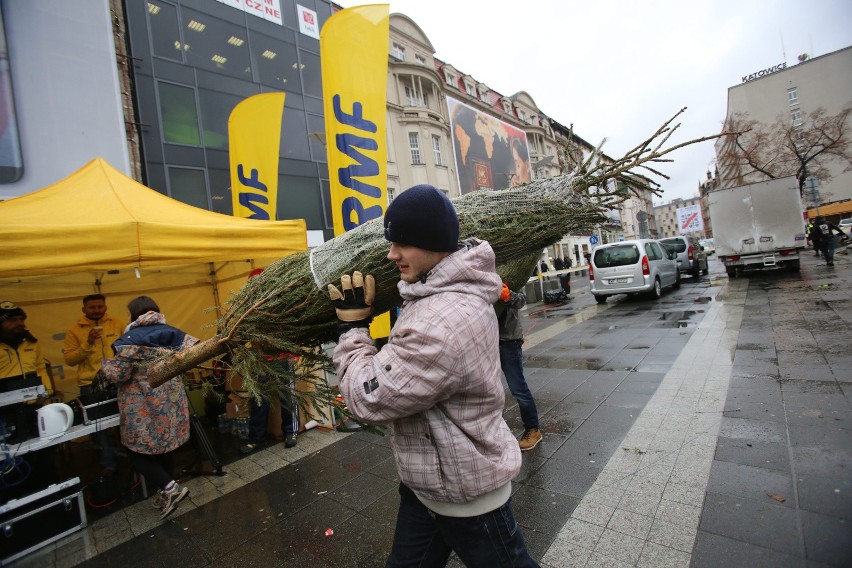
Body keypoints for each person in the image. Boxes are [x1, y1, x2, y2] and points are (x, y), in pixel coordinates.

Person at [328, 184, 538, 567]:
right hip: (431, 481)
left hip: (466, 496)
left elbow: (365, 395)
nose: (392, 254)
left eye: (402, 243)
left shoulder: (440, 324)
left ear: (433, 243)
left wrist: (351, 331)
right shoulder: (441, 293)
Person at [100, 296, 195, 520]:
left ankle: (172, 488)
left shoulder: (129, 340)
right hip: (171, 403)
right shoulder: (175, 333)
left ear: (133, 315)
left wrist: (105, 366)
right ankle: (168, 489)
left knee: (135, 453)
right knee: (165, 448)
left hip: (143, 406)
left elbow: (119, 374)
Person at [239, 269, 300, 455]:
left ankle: (291, 432)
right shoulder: (250, 308)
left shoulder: (280, 303)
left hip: (282, 358)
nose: (255, 288)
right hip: (260, 360)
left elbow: (292, 329)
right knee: (259, 400)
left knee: (286, 397)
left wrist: (294, 355)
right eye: (252, 285)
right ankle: (256, 438)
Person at [63, 294, 124, 473]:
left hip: (117, 380)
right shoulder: (74, 330)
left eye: (100, 306)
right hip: (89, 383)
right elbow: (70, 360)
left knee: (126, 418)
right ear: (84, 310)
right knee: (97, 425)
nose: (96, 310)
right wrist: (88, 343)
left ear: (105, 307)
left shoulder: (117, 323)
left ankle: (134, 455)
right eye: (92, 307)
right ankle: (109, 463)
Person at [497, 283, 542, 451]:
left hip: (508, 340)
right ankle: (494, 432)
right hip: (485, 338)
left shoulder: (510, 272)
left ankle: (533, 429)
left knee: (518, 387)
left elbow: (522, 300)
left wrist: (508, 296)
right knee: (489, 389)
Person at [0, 302, 51, 394]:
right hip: (4, 403)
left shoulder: (31, 342)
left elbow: (40, 368)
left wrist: (46, 390)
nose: (19, 323)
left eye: (22, 319)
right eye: (13, 320)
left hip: (34, 400)